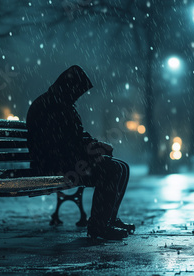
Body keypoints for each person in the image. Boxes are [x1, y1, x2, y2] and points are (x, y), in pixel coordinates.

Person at [26, 65, 135, 240]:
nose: (78, 95)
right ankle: (98, 226)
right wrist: (88, 151)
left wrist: (95, 145)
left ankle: (108, 219)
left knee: (122, 167)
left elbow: (76, 135)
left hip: (64, 160)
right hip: (52, 165)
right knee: (111, 169)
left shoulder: (62, 102)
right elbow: (58, 143)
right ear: (70, 86)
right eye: (77, 91)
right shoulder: (50, 106)